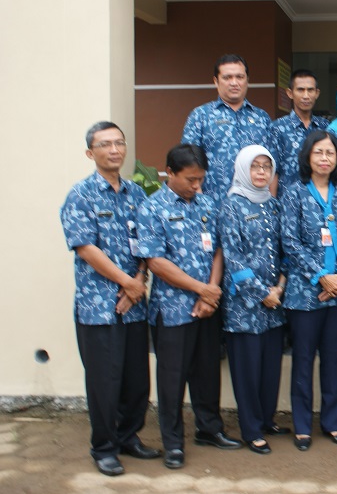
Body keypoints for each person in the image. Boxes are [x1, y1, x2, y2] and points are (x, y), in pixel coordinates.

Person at [60, 122, 159, 477]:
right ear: (91, 153)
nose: (114, 150)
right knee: (104, 382)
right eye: (105, 144)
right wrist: (126, 283)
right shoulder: (81, 195)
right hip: (98, 307)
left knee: (136, 381)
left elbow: (149, 243)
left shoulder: (136, 194)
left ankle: (128, 437)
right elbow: (86, 248)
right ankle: (104, 448)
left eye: (119, 143)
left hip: (133, 305)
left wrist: (139, 280)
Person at [136, 144, 242, 470]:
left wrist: (210, 293)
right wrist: (201, 290)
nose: (197, 186)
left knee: (207, 372)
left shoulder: (208, 203)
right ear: (170, 172)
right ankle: (172, 442)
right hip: (172, 310)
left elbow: (220, 250)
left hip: (207, 307)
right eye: (190, 179)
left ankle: (209, 429)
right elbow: (154, 261)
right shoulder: (152, 208)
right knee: (172, 378)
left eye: (201, 179)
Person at [280, 130, 337, 451]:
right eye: (318, 153)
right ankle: (301, 425)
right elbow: (290, 242)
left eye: (330, 153)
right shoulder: (293, 193)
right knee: (303, 358)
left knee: (334, 358)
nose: (324, 158)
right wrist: (320, 276)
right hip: (304, 291)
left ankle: (333, 423)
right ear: (307, 157)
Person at [217, 145, 288, 455]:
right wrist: (263, 294)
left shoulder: (274, 205)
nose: (261, 172)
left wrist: (280, 288)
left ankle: (266, 419)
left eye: (266, 167)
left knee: (270, 368)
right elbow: (233, 259)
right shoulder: (231, 206)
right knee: (247, 370)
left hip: (275, 304)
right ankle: (251, 429)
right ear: (243, 169)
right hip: (245, 306)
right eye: (255, 167)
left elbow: (285, 250)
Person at [182, 54, 273, 201]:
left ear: (247, 80)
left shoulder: (262, 118)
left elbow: (272, 164)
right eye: (227, 77)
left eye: (239, 77)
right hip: (213, 204)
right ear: (216, 81)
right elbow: (188, 161)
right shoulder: (201, 116)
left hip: (254, 207)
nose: (234, 82)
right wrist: (199, 200)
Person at [271, 69, 330, 196]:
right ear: (290, 93)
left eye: (310, 90)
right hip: (287, 202)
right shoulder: (277, 128)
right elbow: (273, 171)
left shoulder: (325, 127)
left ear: (317, 93)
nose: (306, 96)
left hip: (319, 202)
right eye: (300, 90)